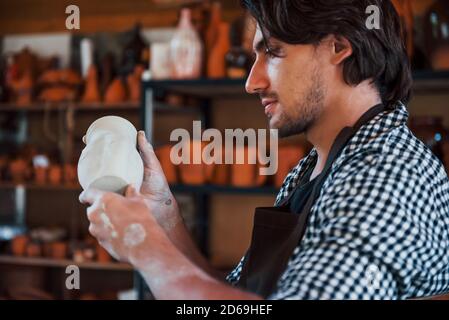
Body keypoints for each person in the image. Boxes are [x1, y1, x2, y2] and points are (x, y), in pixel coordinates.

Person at [79, 0, 449, 300]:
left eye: (272, 52)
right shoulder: (314, 167)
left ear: (338, 47)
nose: (251, 82)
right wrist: (163, 216)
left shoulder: (385, 175)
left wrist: (145, 247)